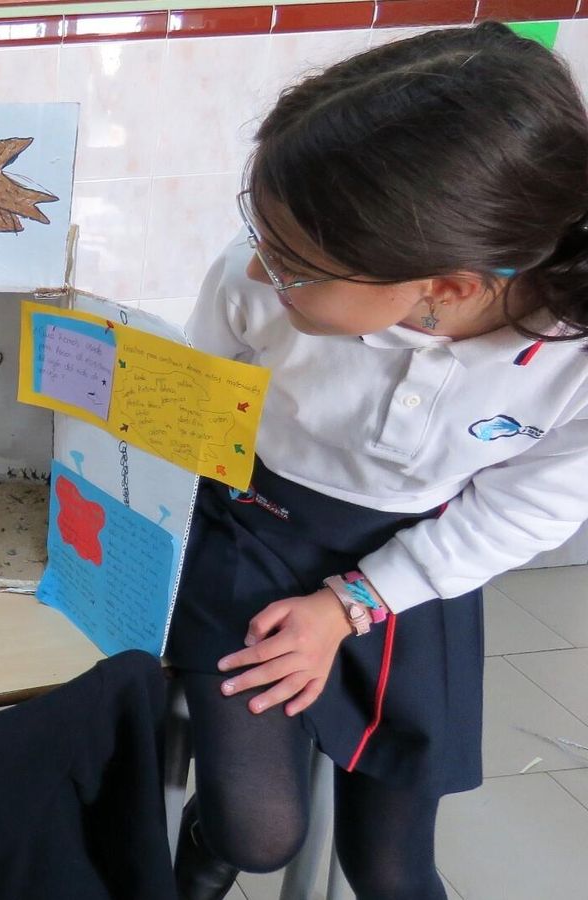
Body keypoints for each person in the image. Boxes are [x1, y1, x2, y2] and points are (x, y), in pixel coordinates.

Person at [168, 22, 588, 899]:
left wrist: (352, 604)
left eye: (293, 261)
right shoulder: (256, 288)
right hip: (251, 536)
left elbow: (526, 507)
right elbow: (192, 428)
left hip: (414, 571)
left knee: (393, 870)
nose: (257, 264)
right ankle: (199, 859)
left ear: (450, 286)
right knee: (258, 833)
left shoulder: (571, 363)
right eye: (263, 231)